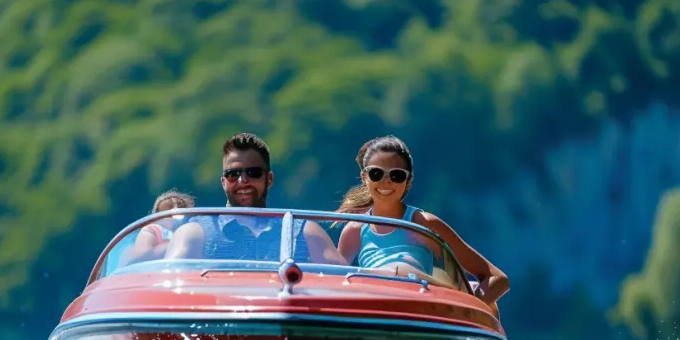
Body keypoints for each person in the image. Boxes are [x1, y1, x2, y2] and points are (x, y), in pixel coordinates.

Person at [336, 135, 510, 306]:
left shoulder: (424, 224)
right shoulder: (354, 230)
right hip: (373, 303)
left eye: (396, 175)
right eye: (376, 173)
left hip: (419, 305)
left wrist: (469, 308)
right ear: (364, 177)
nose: (386, 181)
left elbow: (497, 278)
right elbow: (335, 282)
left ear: (408, 180)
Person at [165, 133, 345, 264]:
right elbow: (169, 283)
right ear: (223, 182)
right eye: (233, 174)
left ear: (269, 179)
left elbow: (343, 284)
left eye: (253, 173)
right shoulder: (195, 233)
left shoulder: (304, 232)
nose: (243, 181)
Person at [116, 189, 195, 267]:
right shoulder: (153, 229)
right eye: (167, 209)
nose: (175, 210)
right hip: (157, 273)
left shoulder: (194, 230)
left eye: (181, 207)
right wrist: (173, 245)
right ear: (157, 215)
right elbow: (143, 254)